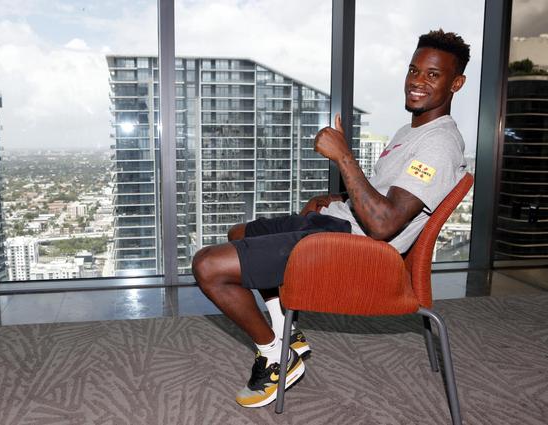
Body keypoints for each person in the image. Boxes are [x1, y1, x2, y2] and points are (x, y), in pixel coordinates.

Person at [192, 29, 470, 408]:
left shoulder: (438, 144)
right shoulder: (413, 130)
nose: (417, 81)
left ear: (457, 83)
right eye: (414, 70)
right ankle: (284, 332)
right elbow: (389, 197)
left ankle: (275, 355)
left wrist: (343, 157)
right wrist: (337, 197)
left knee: (208, 266)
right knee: (239, 233)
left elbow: (385, 224)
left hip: (354, 247)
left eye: (433, 75)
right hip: (338, 222)